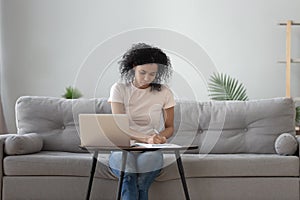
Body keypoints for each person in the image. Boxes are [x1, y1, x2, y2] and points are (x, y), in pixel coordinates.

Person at [108, 43, 175, 200]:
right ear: (133, 67)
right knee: (128, 175)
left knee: (142, 181)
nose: (146, 78)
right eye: (142, 72)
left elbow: (170, 127)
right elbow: (119, 125)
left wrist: (161, 137)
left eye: (152, 74)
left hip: (149, 149)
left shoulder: (164, 92)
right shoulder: (119, 89)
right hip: (122, 147)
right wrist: (146, 138)